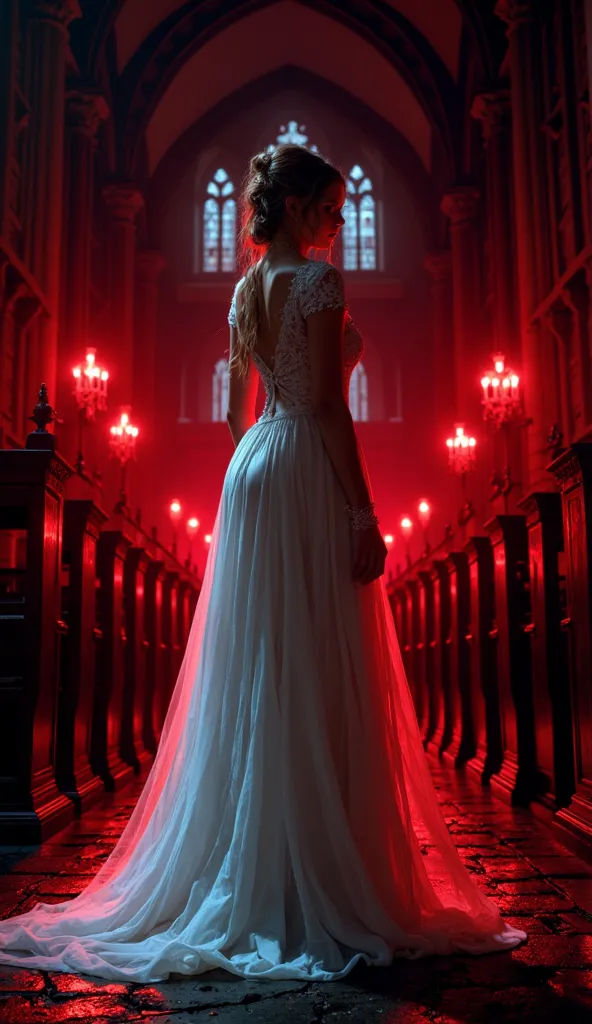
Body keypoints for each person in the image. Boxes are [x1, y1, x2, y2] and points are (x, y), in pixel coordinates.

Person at [0, 144, 525, 983]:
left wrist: (260, 472)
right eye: (328, 204)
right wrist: (359, 508)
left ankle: (263, 859)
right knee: (312, 658)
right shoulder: (317, 283)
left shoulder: (246, 288)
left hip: (253, 471)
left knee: (261, 663)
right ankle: (309, 864)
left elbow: (236, 412)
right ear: (291, 205)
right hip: (305, 464)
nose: (338, 219)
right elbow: (325, 405)